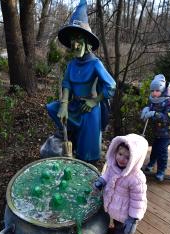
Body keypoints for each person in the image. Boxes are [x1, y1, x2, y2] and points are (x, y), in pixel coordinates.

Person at [46, 0, 116, 164]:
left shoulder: (95, 64)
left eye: (79, 39)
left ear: (87, 42)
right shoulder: (71, 64)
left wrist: (94, 101)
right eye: (72, 40)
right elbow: (67, 83)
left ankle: (86, 160)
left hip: (89, 109)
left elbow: (111, 85)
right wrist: (64, 104)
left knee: (87, 154)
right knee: (52, 108)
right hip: (74, 105)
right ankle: (70, 136)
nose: (75, 44)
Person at [93, 134, 148, 234]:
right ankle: (116, 231)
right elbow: (107, 174)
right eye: (120, 154)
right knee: (118, 225)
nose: (121, 159)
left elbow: (138, 200)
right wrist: (101, 181)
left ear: (136, 159)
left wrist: (133, 219)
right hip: (114, 206)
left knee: (123, 230)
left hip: (126, 213)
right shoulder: (113, 165)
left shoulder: (136, 179)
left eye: (128, 157)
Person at [140, 74, 170, 181]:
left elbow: (169, 117)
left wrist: (154, 114)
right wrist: (146, 109)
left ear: (162, 89)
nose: (154, 93)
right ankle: (151, 164)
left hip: (169, 131)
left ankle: (161, 170)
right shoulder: (154, 99)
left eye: (157, 90)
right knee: (155, 147)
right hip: (159, 130)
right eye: (152, 90)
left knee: (162, 150)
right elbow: (151, 106)